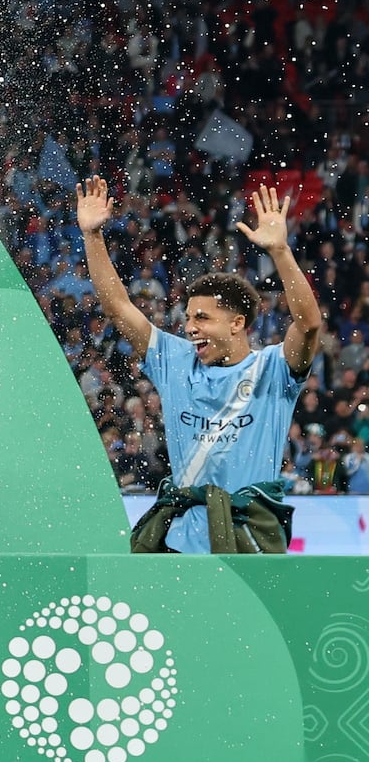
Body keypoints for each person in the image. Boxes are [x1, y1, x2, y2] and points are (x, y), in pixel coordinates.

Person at [79, 176, 322, 553]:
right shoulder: (174, 360)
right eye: (189, 318)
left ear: (237, 323)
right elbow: (118, 307)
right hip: (179, 539)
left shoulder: (273, 369)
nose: (190, 328)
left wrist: (279, 251)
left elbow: (308, 324)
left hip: (249, 539)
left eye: (203, 318)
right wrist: (93, 236)